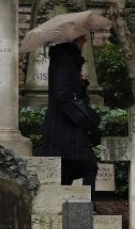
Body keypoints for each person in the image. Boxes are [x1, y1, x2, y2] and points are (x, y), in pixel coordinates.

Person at [41, 34, 99, 189]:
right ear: (73, 39)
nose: (85, 41)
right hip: (67, 129)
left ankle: (67, 203)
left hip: (62, 129)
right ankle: (87, 203)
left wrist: (81, 82)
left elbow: (67, 90)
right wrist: (81, 117)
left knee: (67, 173)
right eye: (82, 37)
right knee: (89, 167)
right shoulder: (66, 61)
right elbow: (63, 95)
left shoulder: (66, 60)